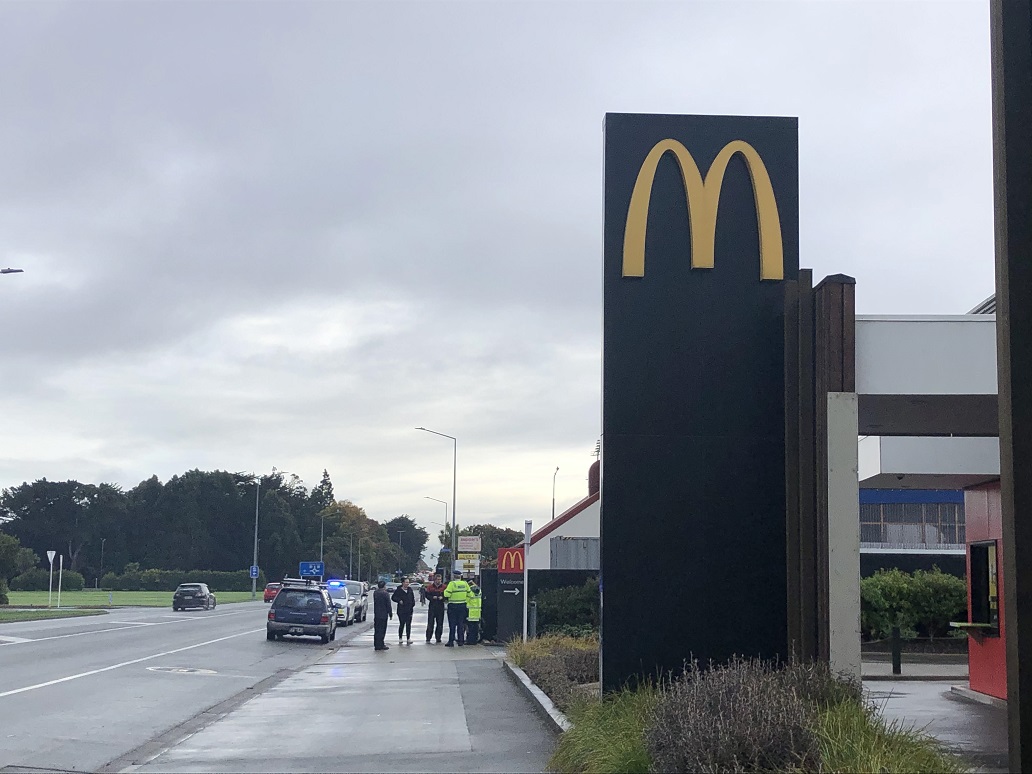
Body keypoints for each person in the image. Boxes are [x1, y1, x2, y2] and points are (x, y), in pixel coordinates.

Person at [443, 571, 471, 647]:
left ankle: (451, 641)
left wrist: (445, 590)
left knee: (452, 625)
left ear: (454, 576)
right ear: (460, 576)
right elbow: (470, 594)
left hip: (453, 606)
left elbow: (446, 594)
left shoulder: (452, 584)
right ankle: (460, 641)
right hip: (462, 606)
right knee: (460, 624)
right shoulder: (465, 584)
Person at [422, 573, 447, 644]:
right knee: (430, 623)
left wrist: (443, 598)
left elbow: (447, 595)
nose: (439, 581)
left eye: (440, 579)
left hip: (440, 606)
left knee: (440, 624)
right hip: (432, 606)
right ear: (435, 580)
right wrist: (432, 598)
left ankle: (438, 638)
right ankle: (428, 637)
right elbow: (427, 595)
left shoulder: (444, 587)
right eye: (437, 579)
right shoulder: (430, 587)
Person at [391, 576, 416, 645]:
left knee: (408, 624)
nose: (407, 584)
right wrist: (399, 600)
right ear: (402, 583)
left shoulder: (410, 590)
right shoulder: (398, 590)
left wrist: (412, 604)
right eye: (406, 582)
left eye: (408, 582)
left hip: (409, 609)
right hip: (401, 610)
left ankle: (408, 638)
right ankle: (400, 638)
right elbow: (393, 597)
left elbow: (412, 598)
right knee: (402, 624)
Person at [372, 580, 393, 651]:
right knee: (382, 630)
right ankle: (381, 644)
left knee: (377, 630)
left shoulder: (375, 593)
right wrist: (390, 613)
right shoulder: (385, 594)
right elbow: (388, 604)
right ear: (384, 586)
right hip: (383, 614)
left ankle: (376, 644)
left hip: (377, 614)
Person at [465, 580, 482, 645]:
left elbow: (466, 601)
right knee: (476, 628)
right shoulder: (479, 590)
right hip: (477, 612)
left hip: (470, 613)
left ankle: (470, 641)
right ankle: (474, 640)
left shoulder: (469, 591)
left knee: (470, 628)